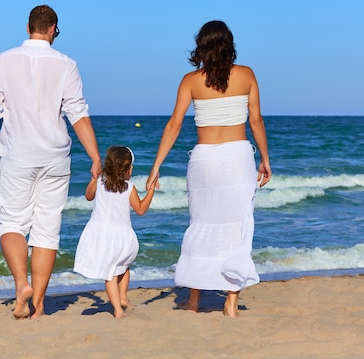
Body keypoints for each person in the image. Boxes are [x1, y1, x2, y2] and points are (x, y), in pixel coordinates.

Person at [0, 5, 101, 320]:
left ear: (28, 26)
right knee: (46, 231)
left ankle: (21, 285)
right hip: (55, 157)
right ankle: (39, 306)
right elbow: (78, 114)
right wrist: (96, 157)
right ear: (52, 28)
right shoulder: (66, 64)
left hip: (17, 154)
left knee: (11, 224)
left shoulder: (2, 61)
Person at [146, 20, 271, 317]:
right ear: (229, 45)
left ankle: (193, 300)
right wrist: (265, 159)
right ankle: (230, 299)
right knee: (236, 228)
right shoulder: (246, 75)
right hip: (238, 158)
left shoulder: (190, 80)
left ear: (201, 46)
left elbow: (174, 125)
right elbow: (256, 122)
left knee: (200, 225)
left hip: (204, 161)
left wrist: (156, 166)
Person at [74, 146, 157, 318]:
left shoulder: (100, 182)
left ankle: (119, 307)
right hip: (124, 237)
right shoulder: (129, 187)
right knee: (122, 267)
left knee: (112, 272)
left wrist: (93, 179)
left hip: (102, 236)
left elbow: (88, 196)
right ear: (127, 169)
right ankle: (121, 302)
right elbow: (141, 209)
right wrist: (151, 192)